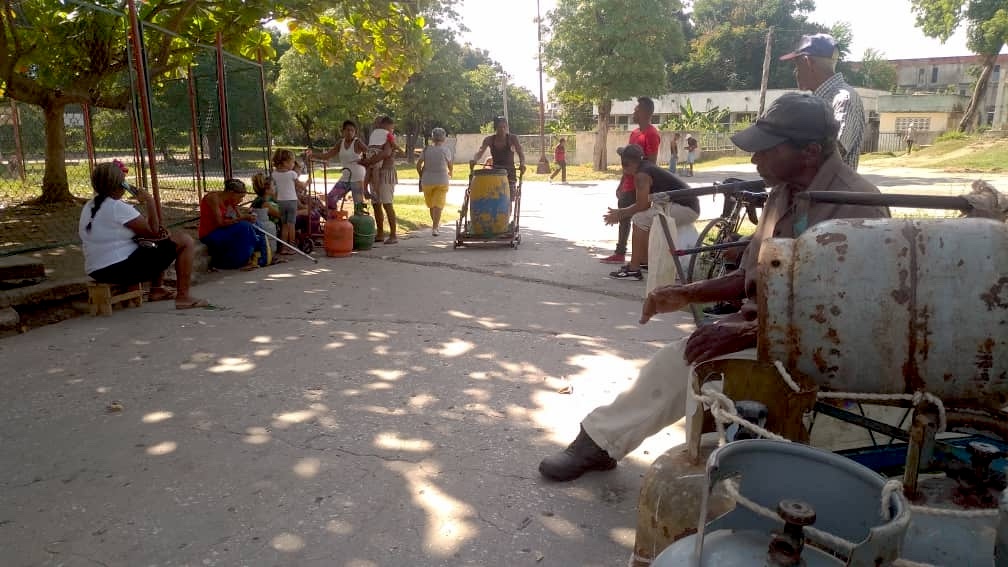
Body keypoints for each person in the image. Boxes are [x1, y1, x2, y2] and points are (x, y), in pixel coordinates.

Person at [538, 93, 891, 482]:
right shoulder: (783, 194)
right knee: (685, 357)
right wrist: (686, 293)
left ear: (808, 151)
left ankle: (603, 443)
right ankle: (601, 442)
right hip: (767, 329)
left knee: (688, 361)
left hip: (819, 349)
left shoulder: (858, 206)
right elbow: (750, 275)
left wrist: (747, 332)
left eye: (765, 151)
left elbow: (850, 316)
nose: (755, 160)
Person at [79, 161, 206, 309]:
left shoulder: (90, 205)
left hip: (96, 269)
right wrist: (150, 201)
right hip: (116, 269)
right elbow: (154, 233)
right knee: (185, 241)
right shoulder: (117, 207)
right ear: (120, 184)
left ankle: (157, 290)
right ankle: (183, 298)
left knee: (154, 245)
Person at [604, 144, 699, 280]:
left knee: (639, 219)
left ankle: (634, 269)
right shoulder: (646, 167)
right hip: (684, 205)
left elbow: (643, 205)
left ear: (627, 163)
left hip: (685, 208)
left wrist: (620, 213)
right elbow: (646, 205)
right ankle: (645, 261)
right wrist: (622, 212)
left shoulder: (641, 175)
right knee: (646, 219)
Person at [780, 33, 865, 170]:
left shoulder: (843, 99)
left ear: (808, 62)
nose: (795, 72)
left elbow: (833, 154)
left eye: (797, 65)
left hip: (829, 191)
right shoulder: (819, 101)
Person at [600, 97, 661, 265]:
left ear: (645, 112)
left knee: (638, 219)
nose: (634, 112)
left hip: (640, 185)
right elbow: (627, 161)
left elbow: (652, 163)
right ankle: (620, 253)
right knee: (624, 218)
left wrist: (643, 184)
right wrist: (621, 183)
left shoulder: (652, 134)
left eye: (637, 109)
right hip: (627, 183)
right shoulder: (634, 133)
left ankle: (640, 258)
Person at [199, 178, 264, 270]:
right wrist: (243, 218)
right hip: (210, 233)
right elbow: (220, 223)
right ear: (231, 193)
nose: (241, 200)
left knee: (254, 224)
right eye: (240, 197)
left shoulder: (231, 200)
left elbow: (239, 217)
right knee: (244, 227)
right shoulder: (213, 198)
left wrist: (248, 218)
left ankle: (260, 257)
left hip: (224, 231)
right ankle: (237, 262)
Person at [306, 120, 370, 205]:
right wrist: (313, 155)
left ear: (355, 132)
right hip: (345, 177)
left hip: (358, 178)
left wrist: (364, 160)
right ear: (343, 131)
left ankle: (357, 216)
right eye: (347, 130)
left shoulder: (357, 142)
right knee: (331, 199)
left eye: (352, 130)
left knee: (359, 206)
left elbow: (370, 152)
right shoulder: (341, 142)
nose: (350, 132)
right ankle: (335, 216)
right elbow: (327, 155)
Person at [360, 116, 400, 244]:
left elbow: (386, 153)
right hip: (374, 171)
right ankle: (380, 233)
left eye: (378, 123)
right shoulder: (376, 136)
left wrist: (369, 161)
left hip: (386, 172)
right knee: (376, 203)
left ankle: (393, 234)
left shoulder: (388, 137)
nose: (376, 125)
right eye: (375, 123)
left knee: (387, 203)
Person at [472, 115, 527, 204]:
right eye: (499, 127)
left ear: (507, 127)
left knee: (509, 197)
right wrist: (474, 160)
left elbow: (520, 153)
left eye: (504, 127)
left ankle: (507, 214)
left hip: (510, 171)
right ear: (495, 128)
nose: (502, 129)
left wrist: (522, 164)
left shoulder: (512, 138)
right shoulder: (489, 139)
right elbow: (480, 152)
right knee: (493, 196)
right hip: (495, 172)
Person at [416, 127, 453, 236]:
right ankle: (435, 227)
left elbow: (418, 165)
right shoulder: (445, 150)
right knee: (438, 204)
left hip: (427, 180)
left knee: (432, 205)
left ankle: (435, 226)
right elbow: (450, 165)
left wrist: (421, 175)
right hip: (442, 179)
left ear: (432, 138)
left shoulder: (426, 149)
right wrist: (451, 172)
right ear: (444, 138)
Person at [270, 149, 305, 254]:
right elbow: (301, 186)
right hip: (291, 201)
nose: (293, 164)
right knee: (292, 225)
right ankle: (292, 246)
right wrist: (308, 182)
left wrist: (276, 196)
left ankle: (284, 247)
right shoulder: (292, 174)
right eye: (292, 162)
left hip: (281, 202)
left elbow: (273, 189)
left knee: (284, 225)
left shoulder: (274, 174)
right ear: (285, 163)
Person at [250, 172, 281, 255]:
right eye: (273, 185)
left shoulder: (263, 199)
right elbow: (279, 215)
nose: (275, 187)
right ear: (267, 190)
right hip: (264, 229)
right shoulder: (264, 202)